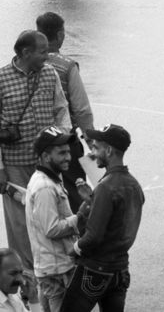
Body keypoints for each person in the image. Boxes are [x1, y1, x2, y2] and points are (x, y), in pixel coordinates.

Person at [0, 30, 72, 281]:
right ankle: (29, 280)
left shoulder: (49, 73)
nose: (47, 55)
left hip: (47, 166)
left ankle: (56, 271)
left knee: (53, 217)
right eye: (43, 51)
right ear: (25, 53)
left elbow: (61, 109)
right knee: (21, 225)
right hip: (15, 166)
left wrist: (61, 142)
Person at [62, 125, 144, 312]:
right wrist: (92, 200)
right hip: (120, 270)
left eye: (96, 148)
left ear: (108, 150)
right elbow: (117, 221)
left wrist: (73, 250)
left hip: (96, 270)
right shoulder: (134, 185)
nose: (92, 153)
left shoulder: (106, 187)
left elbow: (93, 236)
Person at [33, 13, 93, 209]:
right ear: (59, 35)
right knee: (75, 197)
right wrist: (91, 141)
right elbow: (81, 109)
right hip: (64, 141)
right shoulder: (67, 66)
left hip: (36, 142)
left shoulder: (27, 64)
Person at [25, 127, 80, 312]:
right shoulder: (45, 187)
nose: (68, 157)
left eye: (68, 152)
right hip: (57, 271)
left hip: (51, 269)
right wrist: (80, 219)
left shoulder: (48, 180)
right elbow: (52, 229)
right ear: (46, 156)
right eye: (62, 153)